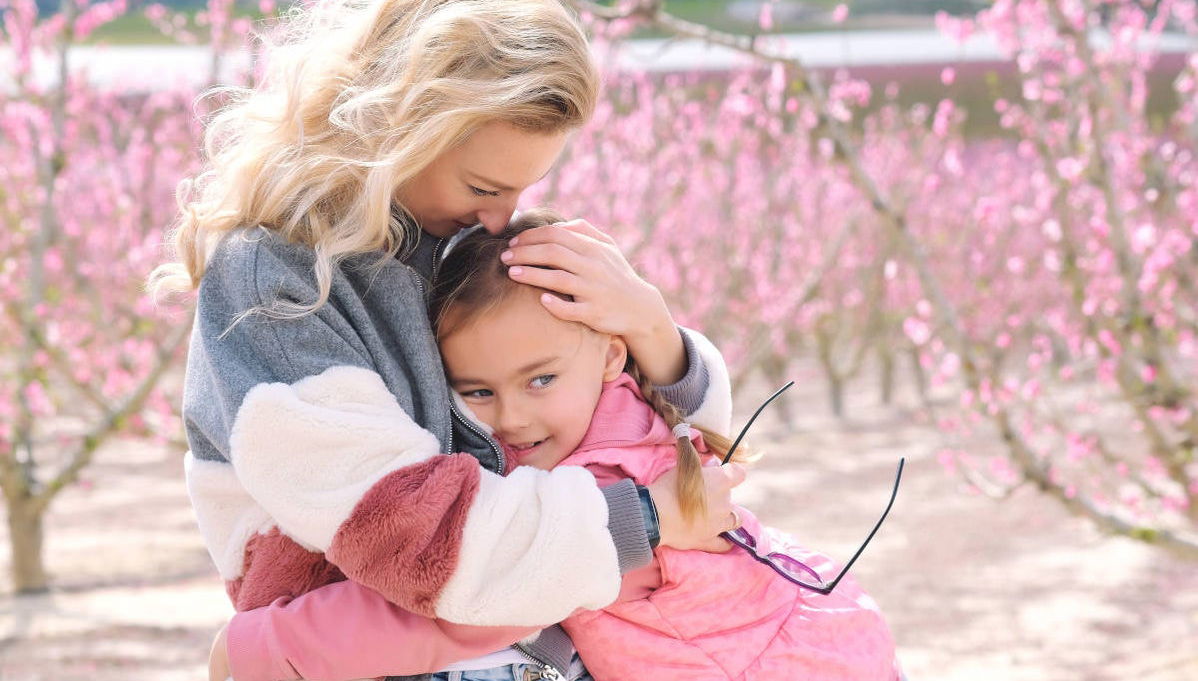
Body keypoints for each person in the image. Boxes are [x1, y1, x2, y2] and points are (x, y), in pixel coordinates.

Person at [149, 1, 745, 679]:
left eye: (522, 189)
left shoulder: (458, 244)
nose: (500, 217)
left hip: (536, 645)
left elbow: (649, 439)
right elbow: (409, 534)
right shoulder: (274, 283)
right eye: (483, 186)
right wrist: (641, 521)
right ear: (401, 126)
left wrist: (651, 329)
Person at [216, 209, 902, 681]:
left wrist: (270, 646)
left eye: (540, 379)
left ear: (610, 355)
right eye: (477, 391)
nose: (513, 416)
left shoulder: (611, 489)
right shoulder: (622, 413)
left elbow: (468, 608)